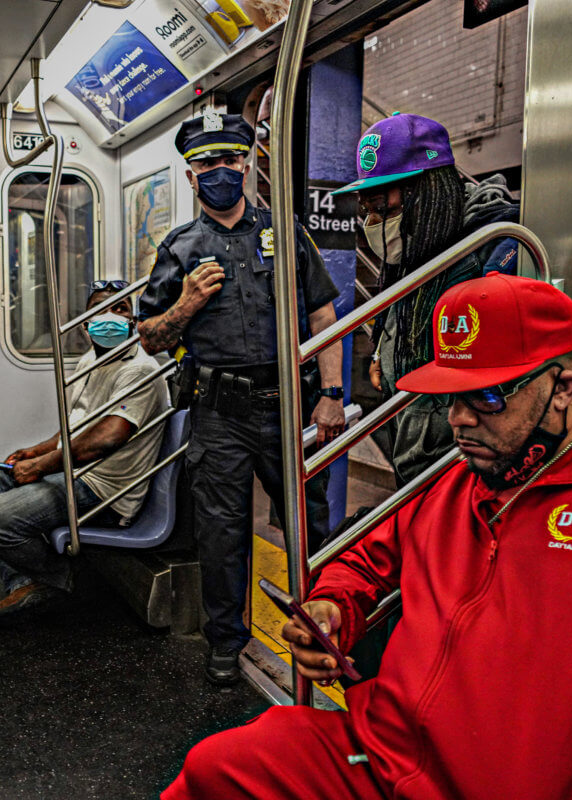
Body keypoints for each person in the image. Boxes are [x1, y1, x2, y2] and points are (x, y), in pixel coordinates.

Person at [162, 272, 572, 799]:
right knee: (215, 769)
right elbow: (367, 558)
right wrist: (334, 605)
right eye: (451, 397)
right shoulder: (459, 486)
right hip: (383, 758)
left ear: (562, 389)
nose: (459, 420)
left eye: (486, 397)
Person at [138, 110, 346, 685]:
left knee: (312, 526)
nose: (221, 171)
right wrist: (186, 304)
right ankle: (227, 643)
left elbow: (323, 311)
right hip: (219, 411)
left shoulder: (285, 231)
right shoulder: (180, 248)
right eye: (207, 162)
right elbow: (151, 336)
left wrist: (331, 393)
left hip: (287, 405)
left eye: (230, 159)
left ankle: (327, 629)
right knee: (221, 535)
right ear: (191, 175)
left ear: (247, 163)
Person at [332, 112, 520, 485]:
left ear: (429, 191)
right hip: (415, 447)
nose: (374, 223)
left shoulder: (494, 250)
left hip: (465, 463)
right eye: (367, 211)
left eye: (384, 210)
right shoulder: (420, 245)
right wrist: (383, 353)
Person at [0, 282, 169, 626]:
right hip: (76, 472)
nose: (110, 316)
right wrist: (39, 449)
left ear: (134, 320)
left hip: (105, 489)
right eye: (100, 309)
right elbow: (77, 424)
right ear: (86, 322)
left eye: (120, 309)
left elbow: (105, 439)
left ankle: (60, 581)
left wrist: (41, 465)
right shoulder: (92, 360)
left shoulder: (140, 370)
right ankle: (25, 584)